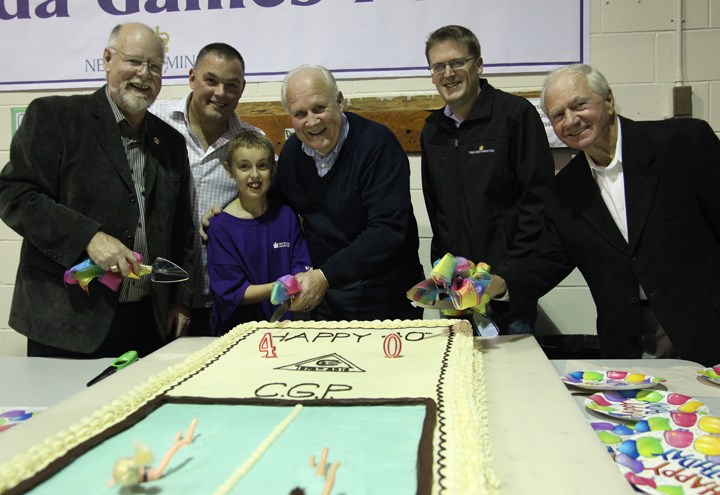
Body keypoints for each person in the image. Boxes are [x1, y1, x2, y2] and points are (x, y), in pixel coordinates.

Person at [489, 63, 720, 365]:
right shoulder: (564, 190)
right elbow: (547, 261)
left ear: (608, 100)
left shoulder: (683, 144)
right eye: (557, 115)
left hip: (706, 329)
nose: (570, 121)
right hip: (629, 344)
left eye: (579, 105)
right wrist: (499, 285)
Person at [0, 23, 195, 358]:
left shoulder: (172, 142)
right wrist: (88, 237)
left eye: (155, 67)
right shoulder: (55, 117)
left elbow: (182, 230)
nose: (143, 74)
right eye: (134, 61)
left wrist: (179, 300)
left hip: (148, 322)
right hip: (67, 322)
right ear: (107, 59)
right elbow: (16, 195)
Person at [202, 65, 424, 320]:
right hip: (327, 301)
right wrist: (226, 214)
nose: (312, 121)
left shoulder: (377, 145)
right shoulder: (293, 152)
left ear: (339, 101)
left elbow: (388, 229)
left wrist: (324, 275)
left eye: (319, 108)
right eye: (300, 113)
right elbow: (270, 201)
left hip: (384, 298)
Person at [421, 25, 554, 334]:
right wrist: (442, 272)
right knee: (458, 376)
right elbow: (435, 207)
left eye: (457, 62)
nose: (448, 73)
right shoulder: (433, 130)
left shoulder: (515, 116)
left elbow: (538, 203)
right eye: (438, 66)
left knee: (511, 378)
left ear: (478, 65)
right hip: (455, 292)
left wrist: (506, 277)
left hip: (504, 292)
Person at [152, 43, 262, 336]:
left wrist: (232, 213)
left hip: (224, 299)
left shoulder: (253, 143)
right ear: (192, 77)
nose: (220, 93)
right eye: (210, 81)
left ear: (242, 88)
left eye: (231, 85)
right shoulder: (154, 122)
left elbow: (264, 214)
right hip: (158, 295)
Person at [206, 130, 312, 335]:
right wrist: (281, 286)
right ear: (229, 170)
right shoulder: (220, 227)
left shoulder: (286, 216)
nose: (254, 175)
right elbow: (234, 291)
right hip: (238, 334)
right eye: (244, 166)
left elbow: (301, 269)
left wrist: (295, 284)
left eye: (262, 165)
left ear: (273, 168)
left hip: (285, 330)